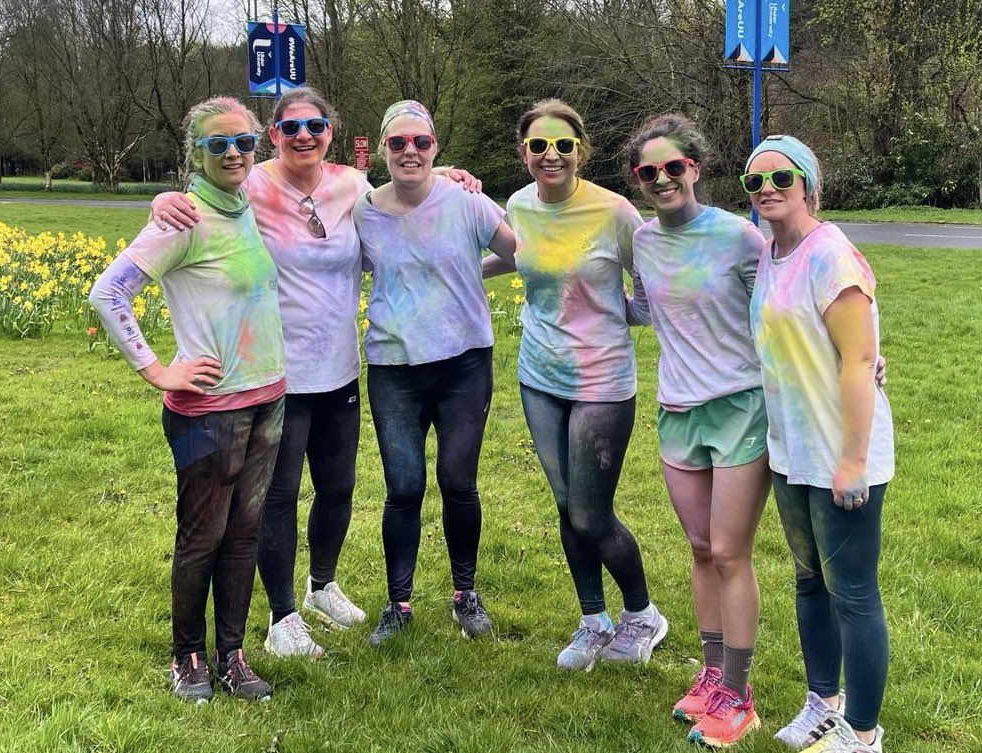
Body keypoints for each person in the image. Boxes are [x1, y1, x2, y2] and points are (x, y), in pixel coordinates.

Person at [153, 88, 482, 660]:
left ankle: (321, 586)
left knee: (338, 488)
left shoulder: (352, 186)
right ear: (273, 135)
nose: (304, 136)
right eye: (290, 128)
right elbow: (199, 198)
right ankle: (282, 616)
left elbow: (407, 186)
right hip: (276, 373)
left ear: (331, 131)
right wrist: (164, 199)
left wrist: (447, 171)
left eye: (316, 126)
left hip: (341, 369)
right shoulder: (251, 184)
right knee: (277, 496)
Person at [89, 96, 283, 701]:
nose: (232, 152)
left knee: (245, 532)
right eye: (217, 144)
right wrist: (157, 370)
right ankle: (188, 657)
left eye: (243, 142)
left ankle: (233, 655)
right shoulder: (183, 219)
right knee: (203, 535)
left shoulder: (246, 202)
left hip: (268, 399)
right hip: (210, 411)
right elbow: (108, 293)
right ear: (193, 153)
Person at [484, 99, 667, 672]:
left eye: (562, 145)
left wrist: (628, 314)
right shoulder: (519, 205)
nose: (551, 155)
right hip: (539, 377)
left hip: (602, 381)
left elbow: (654, 286)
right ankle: (594, 620)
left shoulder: (615, 213)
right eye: (539, 145)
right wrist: (450, 270)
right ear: (525, 153)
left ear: (580, 150)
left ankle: (642, 615)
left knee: (591, 513)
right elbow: (526, 261)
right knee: (566, 505)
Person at [623, 113, 768, 746]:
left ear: (695, 169)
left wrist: (858, 351)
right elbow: (646, 310)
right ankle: (712, 673)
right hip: (677, 411)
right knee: (702, 549)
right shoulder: (643, 243)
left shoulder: (739, 236)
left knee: (732, 552)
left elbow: (780, 310)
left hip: (739, 407)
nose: (662, 179)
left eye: (672, 167)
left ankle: (740, 693)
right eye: (648, 172)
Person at [745, 135, 894, 753]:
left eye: (782, 178)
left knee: (853, 593)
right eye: (756, 182)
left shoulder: (830, 255)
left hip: (841, 454)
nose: (769, 190)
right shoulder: (772, 253)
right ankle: (822, 704)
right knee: (810, 582)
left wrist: (853, 461)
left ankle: (863, 733)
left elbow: (860, 362)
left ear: (808, 183)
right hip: (792, 452)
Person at [355, 99, 516, 647]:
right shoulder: (364, 212)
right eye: (397, 143)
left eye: (420, 142)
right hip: (394, 368)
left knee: (457, 483)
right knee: (404, 488)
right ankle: (398, 604)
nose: (409, 152)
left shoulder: (468, 203)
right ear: (383, 150)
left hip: (463, 365)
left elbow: (519, 254)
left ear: (435, 148)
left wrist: (475, 269)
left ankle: (464, 594)